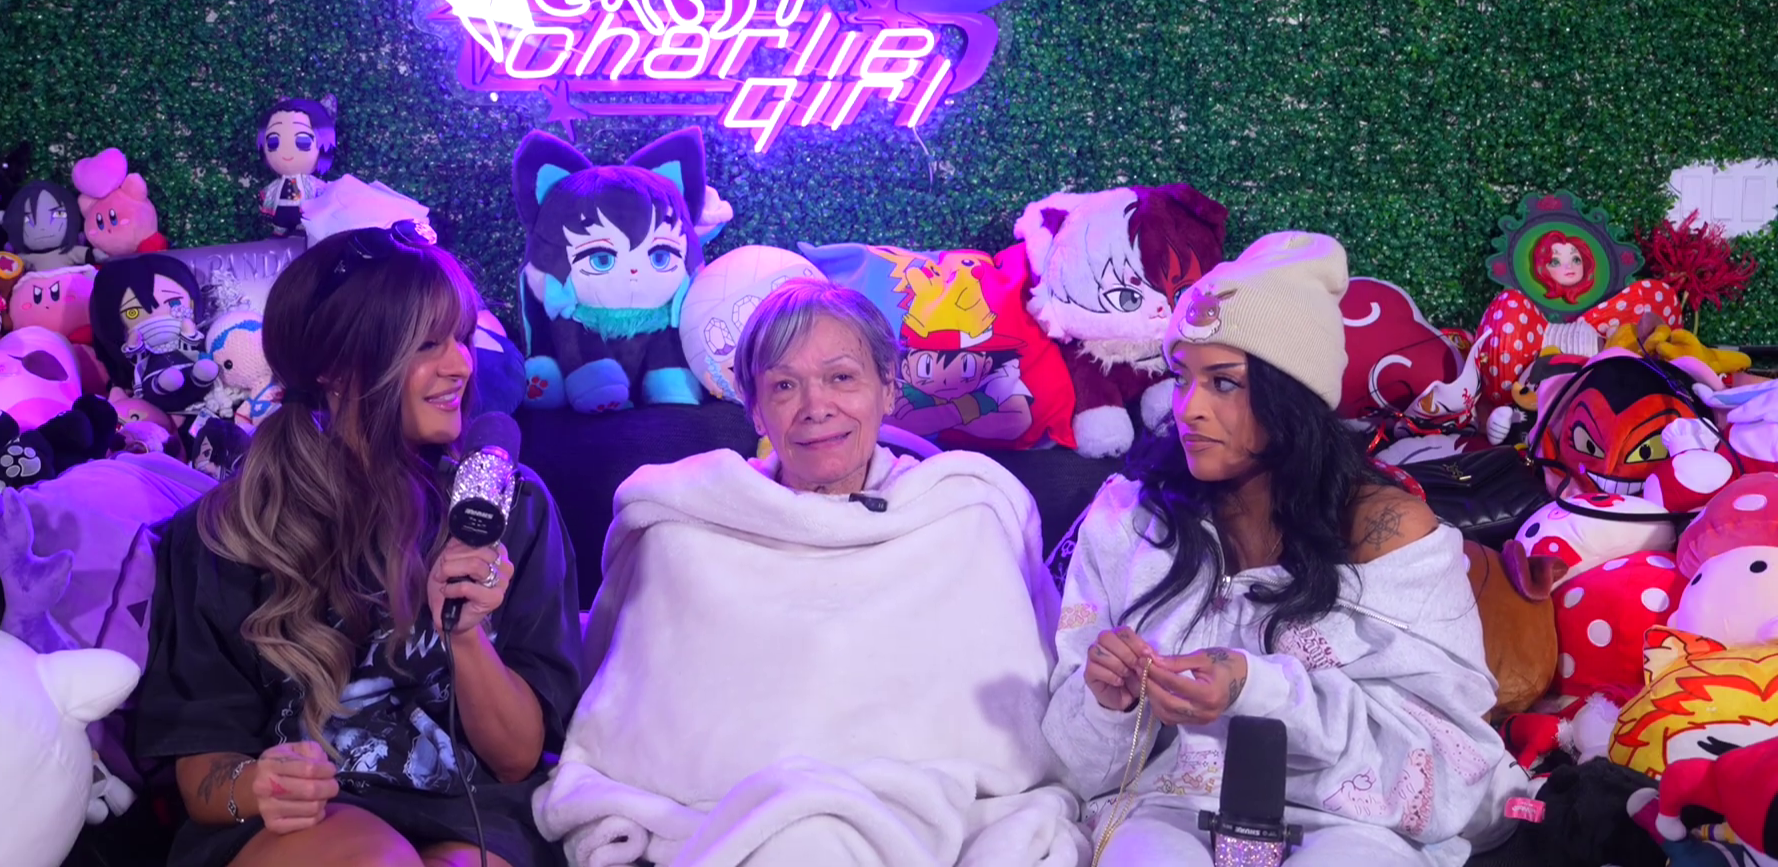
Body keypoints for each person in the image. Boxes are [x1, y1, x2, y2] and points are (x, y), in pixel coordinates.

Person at [534, 279, 1087, 866]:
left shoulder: (965, 515)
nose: (816, 406)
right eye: (784, 385)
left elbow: (1023, 717)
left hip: (937, 819)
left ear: (887, 388)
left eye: (841, 377)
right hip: (725, 824)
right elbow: (631, 711)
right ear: (755, 408)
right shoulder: (681, 526)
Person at [1042, 232, 1528, 867]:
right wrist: (1111, 706)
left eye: (1224, 383)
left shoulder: (1389, 534)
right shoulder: (1128, 522)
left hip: (1350, 827)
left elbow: (1449, 767)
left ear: (1292, 395)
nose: (1188, 409)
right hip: (1166, 811)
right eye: (1182, 378)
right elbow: (1074, 770)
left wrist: (1260, 690)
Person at [135, 223, 582, 867]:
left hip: (473, 818)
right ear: (336, 369)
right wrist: (258, 786)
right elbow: (204, 772)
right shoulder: (228, 532)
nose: (460, 364)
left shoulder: (512, 508)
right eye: (426, 345)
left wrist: (465, 635)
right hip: (299, 827)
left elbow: (516, 761)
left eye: (460, 337)